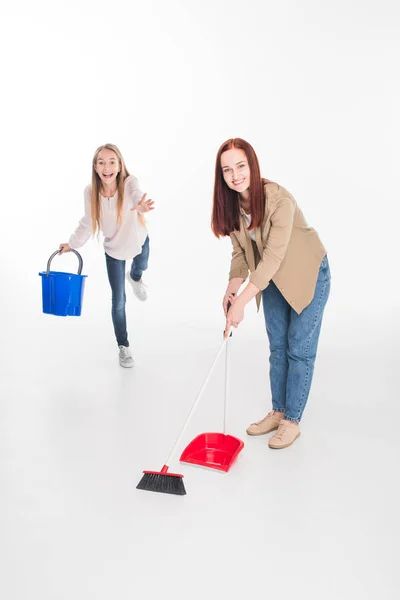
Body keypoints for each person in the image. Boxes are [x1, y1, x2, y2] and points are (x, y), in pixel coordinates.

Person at [212, 138, 330, 449]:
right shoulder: (235, 205)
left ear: (252, 164)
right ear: (220, 175)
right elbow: (241, 252)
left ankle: (292, 420)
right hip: (272, 279)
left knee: (298, 348)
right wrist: (231, 289)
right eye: (227, 170)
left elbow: (273, 258)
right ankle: (278, 412)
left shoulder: (279, 200)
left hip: (307, 276)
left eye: (240, 166)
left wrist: (241, 304)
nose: (235, 175)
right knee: (278, 347)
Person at [59, 143, 154, 368]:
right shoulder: (90, 192)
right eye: (101, 162)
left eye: (112, 162)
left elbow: (136, 194)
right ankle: (124, 346)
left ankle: (136, 277)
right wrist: (72, 244)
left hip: (139, 241)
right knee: (118, 301)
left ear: (120, 165)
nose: (107, 167)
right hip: (113, 251)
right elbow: (88, 222)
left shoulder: (129, 183)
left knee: (142, 265)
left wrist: (140, 205)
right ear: (95, 167)